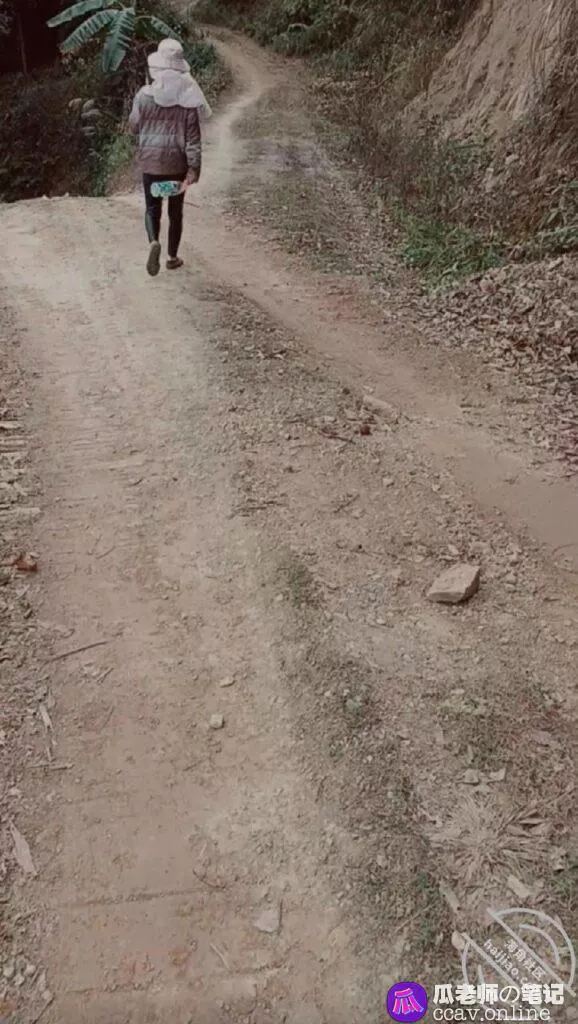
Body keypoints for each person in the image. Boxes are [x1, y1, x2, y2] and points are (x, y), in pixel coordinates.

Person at [129, 38, 212, 276]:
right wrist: (194, 169)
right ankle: (172, 257)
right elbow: (193, 141)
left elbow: (134, 126)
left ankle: (153, 241)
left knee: (152, 208)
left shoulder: (143, 96)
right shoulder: (188, 101)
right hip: (177, 166)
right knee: (175, 212)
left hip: (150, 163)